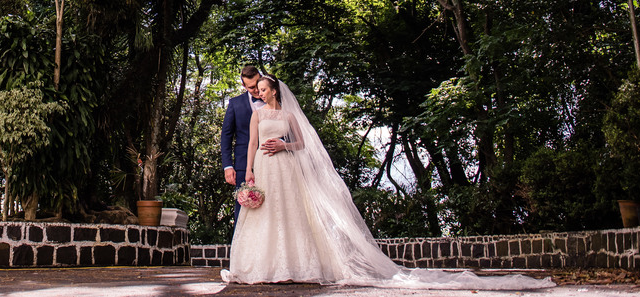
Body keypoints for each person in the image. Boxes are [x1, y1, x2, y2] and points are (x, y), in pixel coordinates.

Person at [222, 75, 554, 290]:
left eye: (262, 89)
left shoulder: (288, 116)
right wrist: (249, 170)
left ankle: (293, 265)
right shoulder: (258, 115)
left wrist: (284, 146)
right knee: (267, 214)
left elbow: (302, 144)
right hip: (263, 167)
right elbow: (250, 144)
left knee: (291, 214)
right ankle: (262, 266)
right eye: (256, 90)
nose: (258, 94)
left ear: (274, 90)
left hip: (286, 167)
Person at [220, 65, 289, 221]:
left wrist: (281, 143)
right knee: (244, 213)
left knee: (277, 207)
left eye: (258, 84)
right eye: (252, 87)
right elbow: (226, 136)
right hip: (244, 165)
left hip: (275, 163)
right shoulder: (235, 103)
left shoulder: (280, 102)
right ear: (244, 86)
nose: (257, 90)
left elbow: (288, 130)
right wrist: (228, 166)